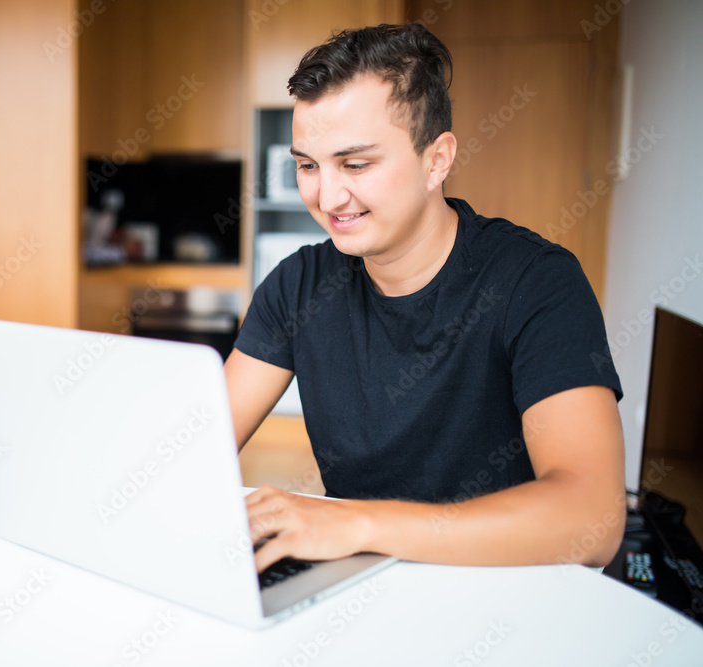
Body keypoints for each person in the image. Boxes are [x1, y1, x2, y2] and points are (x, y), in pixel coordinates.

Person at [226, 23, 626, 574]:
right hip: (358, 589)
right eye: (307, 165)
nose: (326, 196)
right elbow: (196, 450)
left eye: (356, 164)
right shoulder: (298, 286)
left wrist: (359, 524)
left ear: (437, 160)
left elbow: (591, 521)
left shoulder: (537, 282)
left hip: (504, 594)